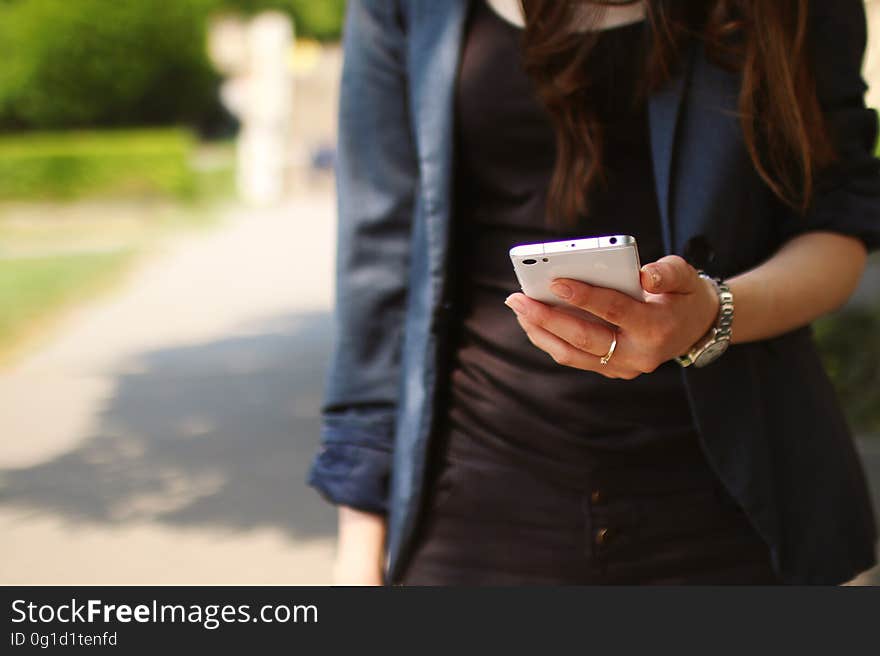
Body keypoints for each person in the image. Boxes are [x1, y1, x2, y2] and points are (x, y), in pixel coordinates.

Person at [308, 0, 880, 585]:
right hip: (473, 504)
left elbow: (839, 223)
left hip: (737, 505)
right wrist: (359, 545)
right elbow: (380, 271)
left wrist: (713, 314)